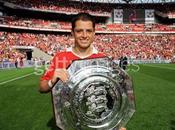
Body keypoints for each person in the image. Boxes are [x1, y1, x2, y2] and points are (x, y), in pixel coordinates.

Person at [39, 12, 126, 130]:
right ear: (72, 33)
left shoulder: (103, 59)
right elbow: (42, 87)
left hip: (96, 125)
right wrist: (52, 80)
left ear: (94, 33)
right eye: (79, 31)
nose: (84, 35)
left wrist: (116, 124)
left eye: (89, 31)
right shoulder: (60, 58)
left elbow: (113, 96)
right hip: (68, 125)